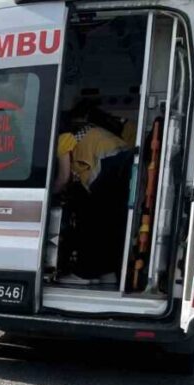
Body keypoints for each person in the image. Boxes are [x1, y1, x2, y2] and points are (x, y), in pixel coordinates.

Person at [53, 102, 132, 283]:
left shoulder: (62, 139)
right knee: (111, 225)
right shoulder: (89, 131)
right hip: (126, 165)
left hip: (111, 167)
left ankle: (84, 273)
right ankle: (107, 273)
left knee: (91, 221)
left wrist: (50, 195)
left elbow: (63, 177)